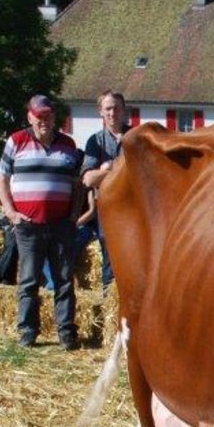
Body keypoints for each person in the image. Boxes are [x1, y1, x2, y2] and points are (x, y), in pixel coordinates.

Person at [0, 94, 83, 349]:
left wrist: (74, 215)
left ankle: (66, 333)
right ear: (30, 117)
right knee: (29, 280)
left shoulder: (69, 144)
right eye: (39, 116)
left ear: (54, 117)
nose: (44, 120)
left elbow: (77, 184)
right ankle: (28, 331)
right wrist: (11, 213)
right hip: (28, 224)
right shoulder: (16, 141)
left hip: (61, 224)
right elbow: (2, 178)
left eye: (48, 115)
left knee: (64, 280)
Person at [77, 89, 126, 288]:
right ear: (101, 111)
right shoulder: (94, 141)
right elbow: (88, 179)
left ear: (123, 110)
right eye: (108, 108)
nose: (112, 113)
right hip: (107, 206)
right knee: (108, 247)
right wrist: (122, 167)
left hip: (135, 205)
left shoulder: (136, 137)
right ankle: (109, 299)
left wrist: (107, 168)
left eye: (116, 108)